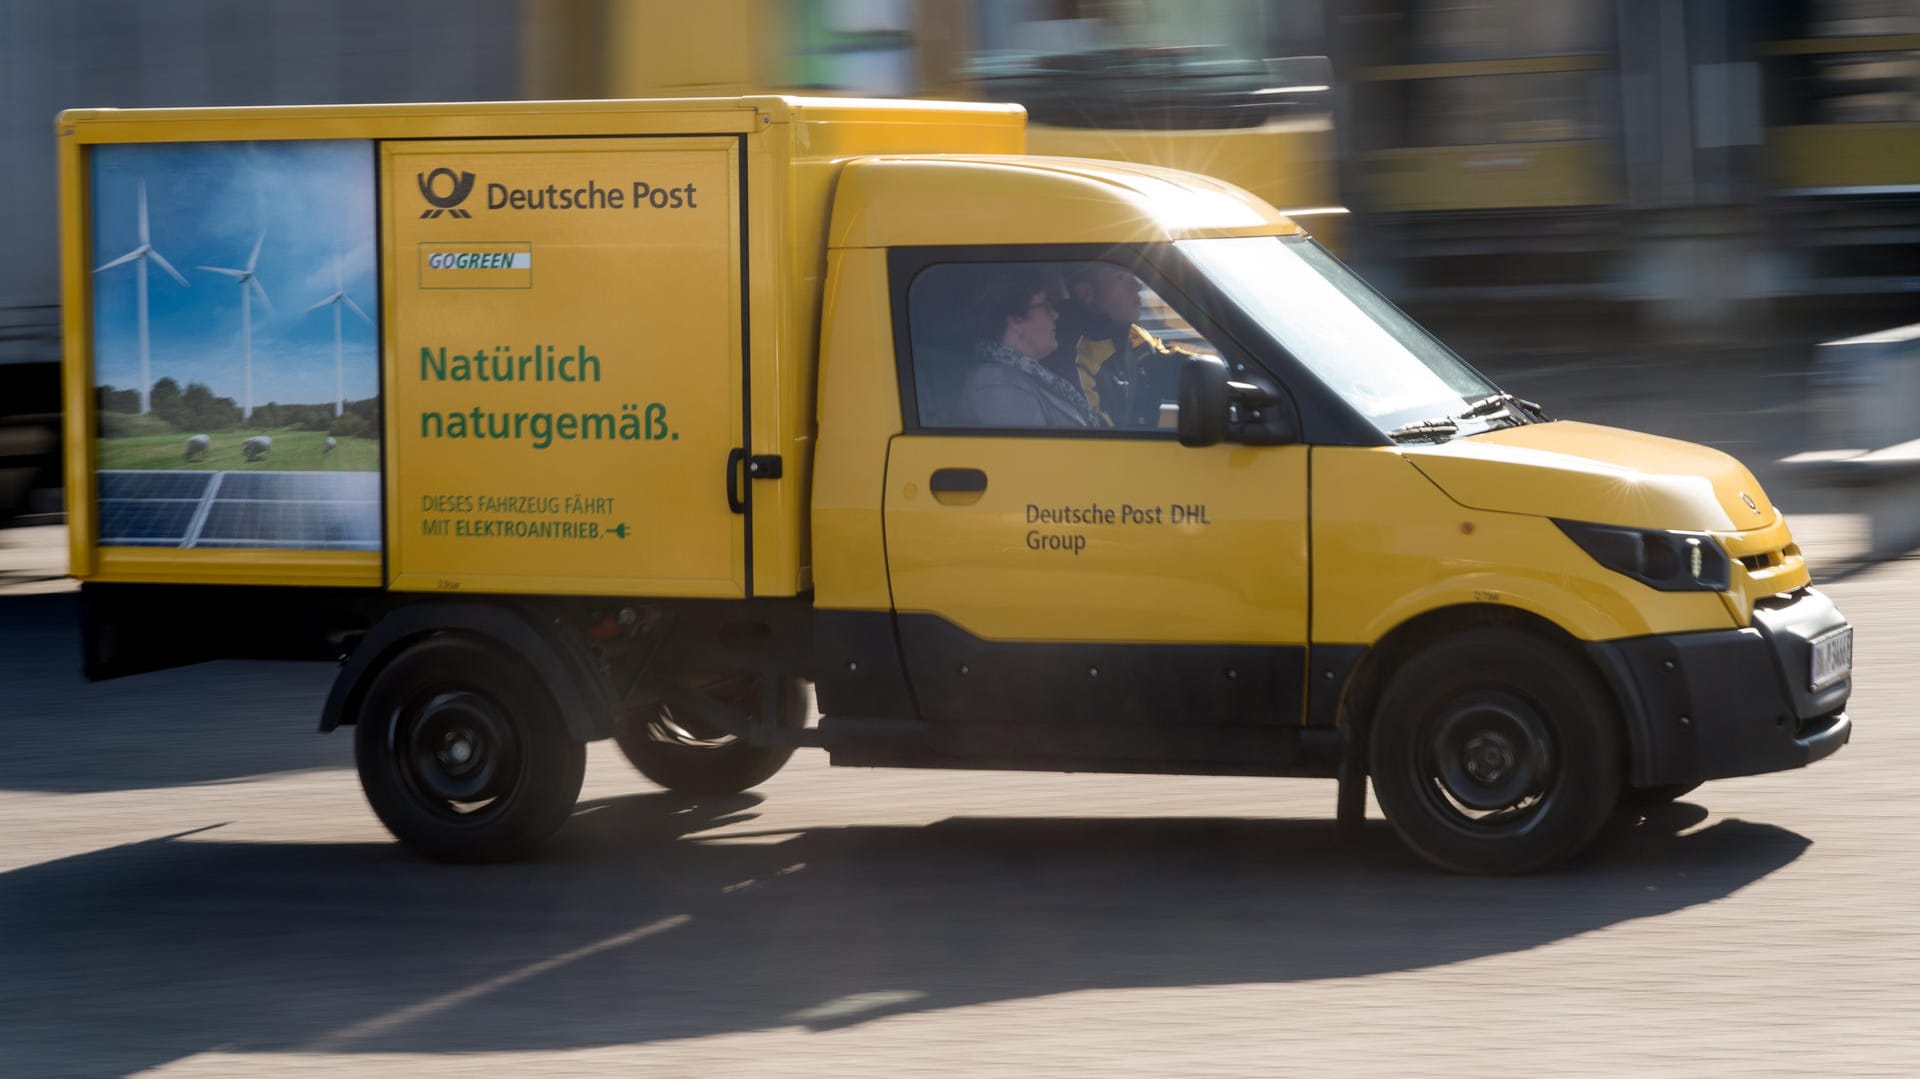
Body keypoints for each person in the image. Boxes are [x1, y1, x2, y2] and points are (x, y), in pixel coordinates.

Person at [956, 267, 1106, 429]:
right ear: (1016, 321)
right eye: (1046, 305)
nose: (1055, 314)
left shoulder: (1028, 376)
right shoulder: (994, 385)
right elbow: (1029, 452)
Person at [1048, 262, 1186, 429]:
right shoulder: (1074, 358)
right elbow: (1100, 435)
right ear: (1087, 293)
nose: (1137, 285)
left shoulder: (1132, 335)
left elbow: (1169, 366)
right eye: (1120, 277)